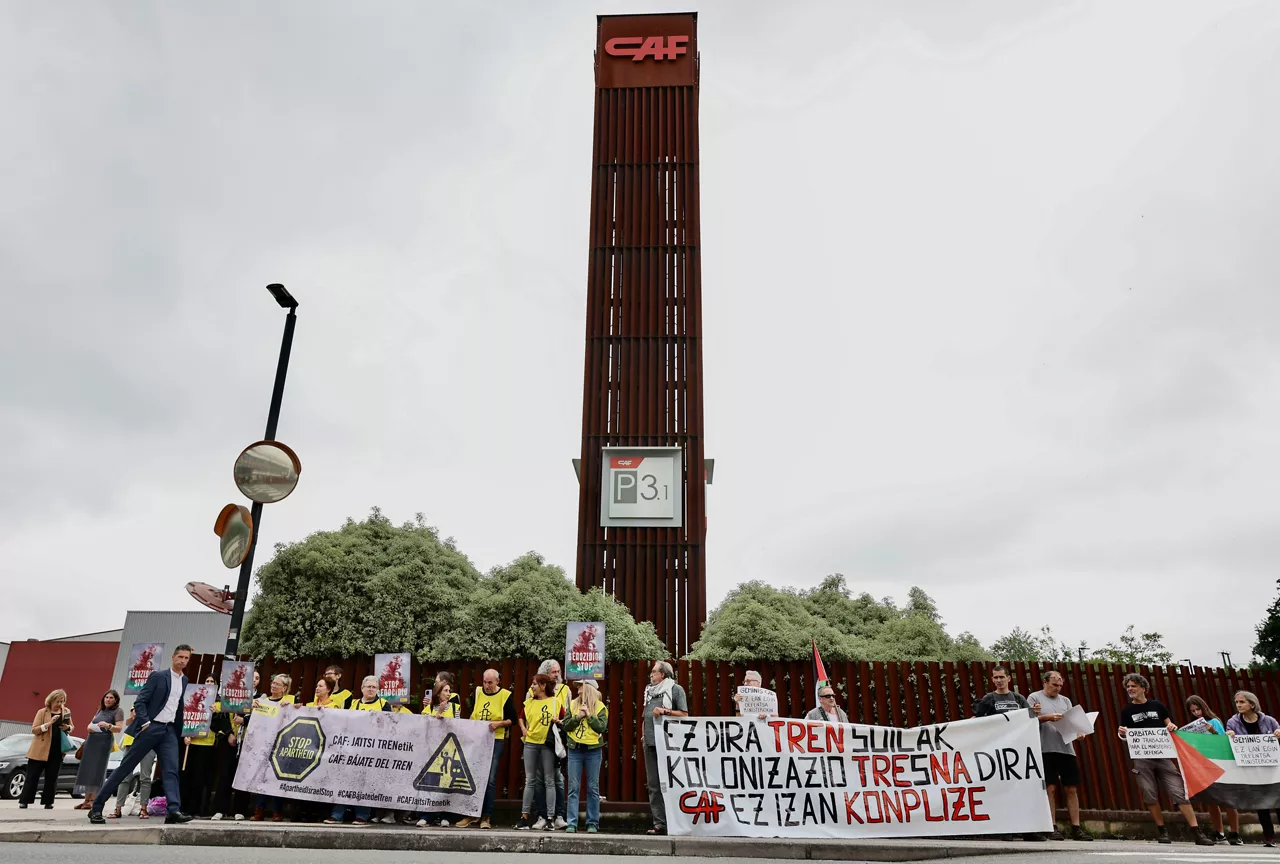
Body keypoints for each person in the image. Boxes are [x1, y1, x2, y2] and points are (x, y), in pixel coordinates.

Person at [90, 643, 193, 825]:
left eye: (186, 658)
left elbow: (178, 707)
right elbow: (140, 702)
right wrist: (145, 722)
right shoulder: (159, 676)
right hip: (150, 727)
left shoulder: (184, 681)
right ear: (173, 657)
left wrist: (179, 731)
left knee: (171, 771)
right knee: (126, 767)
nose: (183, 661)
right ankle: (96, 807)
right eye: (180, 657)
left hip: (168, 731)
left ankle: (173, 811)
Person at [1117, 672, 1214, 846]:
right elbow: (1124, 734)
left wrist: (1171, 725)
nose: (1130, 689)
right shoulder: (1127, 710)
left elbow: (1169, 724)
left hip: (1163, 756)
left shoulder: (1157, 706)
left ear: (1143, 688)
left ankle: (1196, 832)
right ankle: (1162, 831)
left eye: (1133, 686)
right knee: (1149, 793)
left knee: (1180, 792)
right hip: (1142, 758)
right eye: (1128, 687)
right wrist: (1122, 734)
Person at [1027, 670, 1092, 842]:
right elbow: (1027, 720)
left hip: (1066, 748)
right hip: (1044, 748)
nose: (1058, 688)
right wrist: (1046, 717)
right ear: (1045, 682)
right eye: (1054, 684)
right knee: (1050, 788)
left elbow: (1072, 721)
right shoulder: (1034, 698)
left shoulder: (1066, 700)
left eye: (1060, 685)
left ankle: (1076, 828)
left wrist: (1080, 732)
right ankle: (1052, 826)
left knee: (1071, 788)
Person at [456, 668, 516, 829]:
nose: (486, 685)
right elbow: (471, 712)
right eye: (484, 682)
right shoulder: (477, 693)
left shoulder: (505, 696)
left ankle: (486, 816)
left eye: (490, 682)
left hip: (495, 740)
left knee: (489, 779)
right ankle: (471, 814)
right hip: (477, 739)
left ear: (497, 681)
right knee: (472, 776)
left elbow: (513, 719)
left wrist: (499, 724)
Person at [327, 676, 389, 825]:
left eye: (374, 687)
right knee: (344, 782)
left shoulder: (384, 705)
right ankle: (337, 815)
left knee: (365, 784)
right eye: (368, 686)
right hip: (351, 751)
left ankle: (362, 815)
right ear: (362, 688)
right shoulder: (352, 704)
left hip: (371, 753)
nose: (371, 689)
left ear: (378, 690)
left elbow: (388, 728)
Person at [1225, 690, 1280, 847]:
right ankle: (1269, 837)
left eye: (1242, 702)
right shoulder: (1233, 722)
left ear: (1252, 704)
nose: (1238, 705)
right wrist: (1228, 735)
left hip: (1273, 768)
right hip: (1253, 769)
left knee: (1278, 801)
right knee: (1261, 804)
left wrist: (1278, 733)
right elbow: (1228, 742)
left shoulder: (1269, 720)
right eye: (1237, 702)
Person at [639, 660, 688, 836]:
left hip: (669, 745)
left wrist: (666, 711)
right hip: (650, 743)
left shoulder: (676, 690)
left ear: (663, 675)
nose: (651, 675)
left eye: (654, 672)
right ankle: (659, 823)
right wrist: (644, 734)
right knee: (653, 784)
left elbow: (684, 714)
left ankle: (675, 822)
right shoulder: (649, 692)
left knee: (672, 783)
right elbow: (646, 714)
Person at [1184, 695, 1241, 845]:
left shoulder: (1214, 721)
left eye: (1198, 709)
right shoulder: (1193, 726)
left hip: (1221, 763)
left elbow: (1224, 741)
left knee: (1228, 800)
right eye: (1193, 711)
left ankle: (1235, 833)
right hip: (1205, 765)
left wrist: (1213, 731)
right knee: (1211, 800)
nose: (1196, 713)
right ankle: (1219, 833)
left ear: (1204, 707)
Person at [211, 668, 261, 822]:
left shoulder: (260, 698)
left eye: (256, 678)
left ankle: (240, 810)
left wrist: (244, 720)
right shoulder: (230, 693)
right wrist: (228, 733)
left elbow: (262, 720)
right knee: (225, 774)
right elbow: (223, 716)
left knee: (243, 776)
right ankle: (220, 809)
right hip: (230, 740)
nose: (252, 680)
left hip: (248, 742)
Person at [515, 674, 563, 831]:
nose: (532, 687)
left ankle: (550, 818)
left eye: (535, 684)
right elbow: (520, 717)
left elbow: (565, 721)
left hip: (547, 744)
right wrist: (523, 728)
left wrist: (559, 721)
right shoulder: (529, 702)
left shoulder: (555, 702)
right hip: (530, 742)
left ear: (543, 686)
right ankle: (524, 817)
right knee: (530, 780)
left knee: (549, 780)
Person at [527, 659, 571, 830]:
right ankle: (541, 815)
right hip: (537, 739)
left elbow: (567, 714)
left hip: (556, 739)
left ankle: (558, 815)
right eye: (553, 672)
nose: (557, 674)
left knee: (557, 779)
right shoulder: (534, 690)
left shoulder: (565, 690)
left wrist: (561, 721)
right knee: (539, 780)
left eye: (558, 671)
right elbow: (527, 713)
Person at [415, 673, 461, 828]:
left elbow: (457, 726)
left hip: (448, 750)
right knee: (430, 783)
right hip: (431, 750)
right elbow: (425, 727)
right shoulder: (428, 708)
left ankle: (444, 815)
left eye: (449, 690)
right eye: (445, 691)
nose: (448, 693)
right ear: (438, 692)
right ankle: (426, 816)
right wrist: (438, 713)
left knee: (446, 784)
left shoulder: (455, 707)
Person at [563, 679, 608, 834]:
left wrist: (589, 716)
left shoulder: (600, 707)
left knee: (593, 788)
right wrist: (577, 717)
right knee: (573, 787)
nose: (578, 690)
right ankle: (572, 823)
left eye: (580, 687)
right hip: (575, 749)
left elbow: (601, 727)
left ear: (588, 688)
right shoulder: (573, 704)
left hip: (593, 750)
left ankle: (592, 822)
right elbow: (566, 725)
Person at [249, 673, 295, 822]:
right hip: (262, 745)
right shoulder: (261, 701)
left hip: (281, 746)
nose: (273, 686)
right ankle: (259, 809)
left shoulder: (290, 701)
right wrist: (252, 709)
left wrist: (292, 707)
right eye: (273, 682)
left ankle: (277, 811)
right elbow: (251, 722)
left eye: (277, 684)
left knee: (276, 778)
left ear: (285, 688)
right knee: (261, 778)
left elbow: (298, 716)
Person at [20, 689, 74, 810]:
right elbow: (34, 730)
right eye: (57, 701)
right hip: (40, 749)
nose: (59, 704)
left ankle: (48, 802)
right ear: (51, 700)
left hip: (57, 750)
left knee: (52, 777)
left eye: (62, 701)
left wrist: (68, 727)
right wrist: (49, 723)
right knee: (32, 776)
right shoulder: (42, 712)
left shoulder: (66, 711)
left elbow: (71, 727)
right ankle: (25, 801)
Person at [73, 689, 124, 812]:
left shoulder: (118, 711)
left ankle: (93, 800)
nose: (108, 699)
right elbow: (91, 723)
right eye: (107, 697)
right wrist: (90, 728)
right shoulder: (100, 710)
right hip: (91, 742)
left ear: (116, 700)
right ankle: (86, 799)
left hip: (103, 743)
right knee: (87, 769)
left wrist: (108, 725)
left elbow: (119, 728)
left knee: (97, 770)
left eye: (111, 698)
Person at [180, 675, 224, 818]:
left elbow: (221, 725)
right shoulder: (194, 697)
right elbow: (187, 717)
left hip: (209, 744)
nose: (209, 683)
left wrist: (215, 713)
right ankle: (186, 808)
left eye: (212, 681)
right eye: (207, 681)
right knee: (190, 777)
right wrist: (186, 734)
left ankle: (200, 809)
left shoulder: (218, 702)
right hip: (193, 743)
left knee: (204, 779)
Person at [108, 707, 156, 820]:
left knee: (145, 778)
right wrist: (133, 716)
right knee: (124, 777)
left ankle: (143, 809)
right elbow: (128, 722)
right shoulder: (137, 706)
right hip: (131, 742)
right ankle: (118, 808)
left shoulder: (156, 707)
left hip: (148, 743)